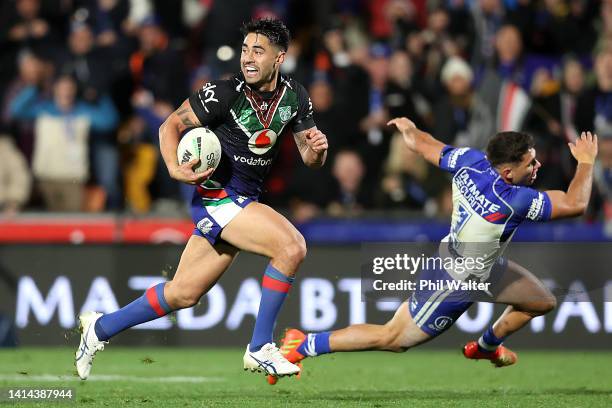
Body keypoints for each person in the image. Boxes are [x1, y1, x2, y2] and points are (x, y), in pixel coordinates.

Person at [75, 18, 328, 379]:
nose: (248, 58)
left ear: (279, 57)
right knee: (292, 247)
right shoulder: (224, 92)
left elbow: (310, 158)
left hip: (244, 199)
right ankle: (259, 347)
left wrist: (318, 150)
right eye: (245, 50)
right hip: (219, 197)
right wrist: (174, 169)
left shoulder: (296, 96)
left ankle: (98, 329)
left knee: (183, 294)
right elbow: (170, 126)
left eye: (258, 50)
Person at [268, 116, 597, 383]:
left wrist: (410, 131)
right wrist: (585, 161)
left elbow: (429, 148)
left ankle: (486, 346)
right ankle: (306, 343)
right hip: (454, 281)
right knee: (393, 338)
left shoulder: (471, 162)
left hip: (479, 266)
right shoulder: (514, 200)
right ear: (508, 172)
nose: (537, 166)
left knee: (540, 301)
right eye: (531, 163)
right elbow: (575, 203)